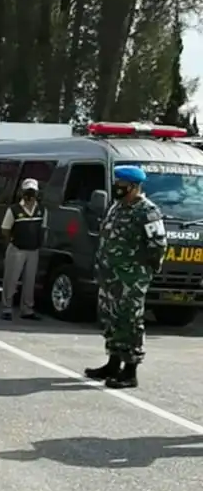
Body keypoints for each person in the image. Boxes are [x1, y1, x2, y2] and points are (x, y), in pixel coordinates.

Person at [84, 165, 166, 389]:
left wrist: (143, 272)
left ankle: (130, 371)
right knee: (111, 319)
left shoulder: (147, 211)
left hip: (132, 279)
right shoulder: (117, 207)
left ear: (133, 186)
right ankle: (113, 363)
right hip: (110, 276)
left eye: (121, 184)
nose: (117, 187)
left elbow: (158, 245)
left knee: (130, 321)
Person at [0, 177, 46, 320]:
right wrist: (12, 243)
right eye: (28, 192)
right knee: (11, 280)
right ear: (22, 192)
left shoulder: (42, 210)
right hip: (17, 249)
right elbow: (5, 229)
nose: (30, 196)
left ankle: (27, 309)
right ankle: (7, 308)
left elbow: (43, 228)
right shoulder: (14, 210)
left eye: (32, 192)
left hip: (33, 250)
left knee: (30, 281)